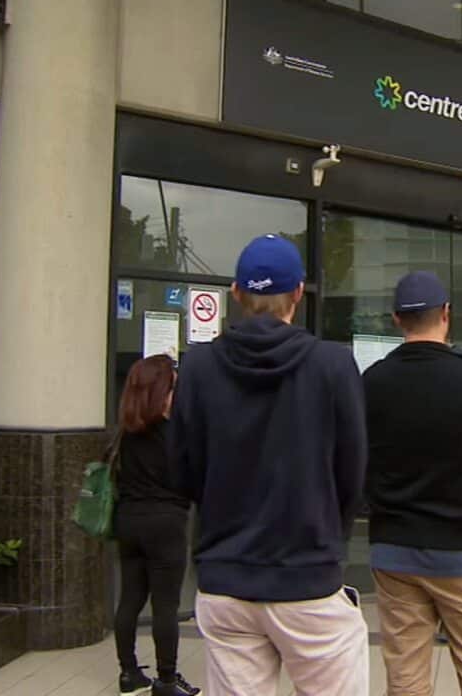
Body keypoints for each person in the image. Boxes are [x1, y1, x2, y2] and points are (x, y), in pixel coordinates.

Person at [169, 234, 369, 696]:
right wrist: (328, 536)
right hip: (309, 577)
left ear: (236, 294)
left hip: (225, 580)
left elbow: (181, 471)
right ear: (299, 292)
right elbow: (352, 471)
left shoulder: (198, 366)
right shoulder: (333, 364)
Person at [363, 271, 462, 696]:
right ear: (447, 314)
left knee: (406, 674)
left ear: (396, 319)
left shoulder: (371, 382)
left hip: (394, 548)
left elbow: (359, 455)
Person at [113, 355, 198, 696]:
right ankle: (166, 680)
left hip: (128, 521)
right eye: (174, 387)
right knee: (165, 604)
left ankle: (129, 674)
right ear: (162, 391)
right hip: (165, 523)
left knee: (130, 598)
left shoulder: (125, 433)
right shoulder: (176, 433)